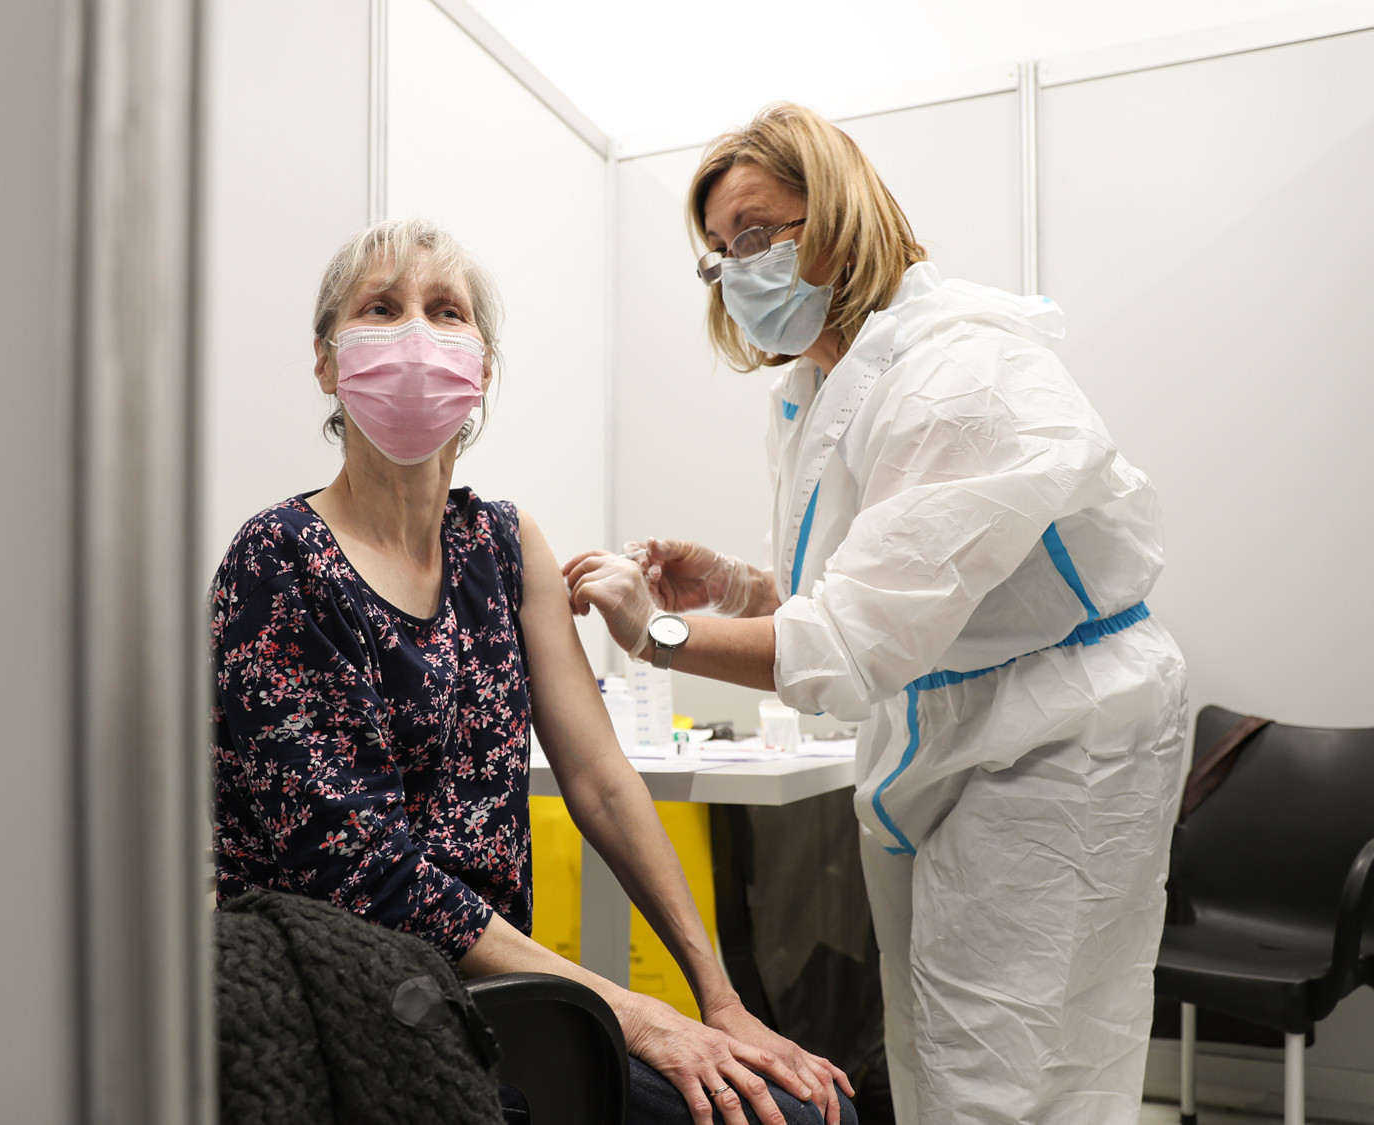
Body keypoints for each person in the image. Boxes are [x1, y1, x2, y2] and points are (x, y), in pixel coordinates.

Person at [564, 103, 1188, 1125]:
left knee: (1012, 1078)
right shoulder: (821, 386)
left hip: (1053, 740)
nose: (735, 270)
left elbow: (848, 646)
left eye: (758, 235)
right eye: (719, 252)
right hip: (943, 732)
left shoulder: (961, 377)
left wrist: (654, 633)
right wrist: (736, 588)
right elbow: (872, 594)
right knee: (936, 1053)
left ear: (839, 215)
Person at [210, 217, 856, 1125]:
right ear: (326, 361)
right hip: (352, 995)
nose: (416, 334)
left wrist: (719, 999)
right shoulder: (281, 559)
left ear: (480, 367)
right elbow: (365, 873)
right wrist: (636, 1013)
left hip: (492, 988)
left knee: (808, 1108)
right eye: (381, 308)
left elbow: (601, 781)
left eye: (446, 310)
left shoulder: (503, 544)